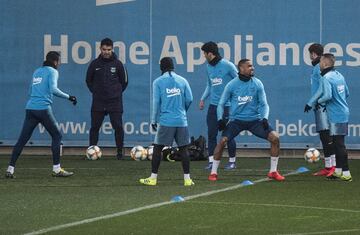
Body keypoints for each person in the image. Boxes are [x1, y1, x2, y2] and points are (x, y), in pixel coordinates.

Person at [208, 59, 285, 181]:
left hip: (255, 121)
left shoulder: (257, 83)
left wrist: (265, 118)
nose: (252, 68)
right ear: (241, 69)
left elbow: (264, 104)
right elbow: (221, 104)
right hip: (236, 121)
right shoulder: (232, 85)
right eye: (249, 66)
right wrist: (219, 120)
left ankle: (273, 171)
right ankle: (213, 173)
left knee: (275, 138)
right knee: (222, 141)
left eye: (252, 66)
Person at [5, 51, 77, 178]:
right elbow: (53, 89)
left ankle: (10, 169)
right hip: (43, 109)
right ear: (55, 61)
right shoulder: (53, 71)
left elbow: (30, 91)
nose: (59, 64)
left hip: (30, 108)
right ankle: (56, 169)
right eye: (59, 61)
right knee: (57, 136)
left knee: (22, 140)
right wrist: (69, 97)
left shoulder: (37, 71)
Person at [140, 57, 194, 186]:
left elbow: (156, 102)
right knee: (183, 149)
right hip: (181, 120)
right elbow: (190, 99)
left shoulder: (158, 82)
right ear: (173, 67)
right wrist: (182, 111)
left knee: (158, 148)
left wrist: (153, 119)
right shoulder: (182, 80)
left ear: (161, 68)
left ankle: (153, 178)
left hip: (166, 121)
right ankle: (187, 179)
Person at [86, 38, 128, 160]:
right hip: (98, 101)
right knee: (94, 127)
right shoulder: (94, 64)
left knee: (118, 127)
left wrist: (115, 93)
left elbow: (124, 82)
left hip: (114, 102)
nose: (106, 52)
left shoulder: (118, 64)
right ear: (100, 49)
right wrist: (96, 92)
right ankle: (91, 151)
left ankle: (120, 153)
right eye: (104, 49)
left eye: (109, 49)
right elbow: (88, 80)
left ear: (112, 49)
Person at [200, 41, 238, 170]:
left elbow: (239, 81)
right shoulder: (208, 67)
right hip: (213, 106)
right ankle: (211, 162)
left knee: (228, 135)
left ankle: (232, 161)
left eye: (204, 53)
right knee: (211, 134)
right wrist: (203, 99)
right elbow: (209, 85)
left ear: (210, 54)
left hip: (226, 107)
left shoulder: (228, 65)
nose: (204, 56)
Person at [317, 53, 352, 181]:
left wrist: (318, 101)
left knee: (339, 144)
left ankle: (346, 173)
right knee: (336, 142)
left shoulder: (326, 77)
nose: (319, 64)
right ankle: (338, 171)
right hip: (341, 112)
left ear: (325, 63)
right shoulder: (339, 75)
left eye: (320, 62)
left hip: (337, 114)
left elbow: (327, 96)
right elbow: (346, 93)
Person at [304, 43, 336, 176]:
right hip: (319, 105)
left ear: (313, 54)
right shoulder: (317, 67)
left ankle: (333, 166)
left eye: (310, 54)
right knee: (324, 136)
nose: (310, 56)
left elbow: (323, 88)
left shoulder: (319, 67)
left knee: (326, 135)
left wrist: (313, 102)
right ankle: (328, 166)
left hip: (322, 105)